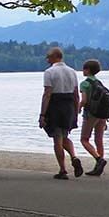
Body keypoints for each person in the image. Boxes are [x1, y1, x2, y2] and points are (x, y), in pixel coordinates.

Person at [39, 47, 82, 179]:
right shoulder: (72, 72)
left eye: (48, 57)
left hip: (56, 104)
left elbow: (47, 94)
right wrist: (76, 111)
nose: (47, 59)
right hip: (69, 105)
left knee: (57, 139)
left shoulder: (49, 72)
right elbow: (76, 94)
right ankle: (74, 157)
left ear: (55, 57)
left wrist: (42, 114)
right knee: (64, 135)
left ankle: (63, 169)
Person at [78, 59, 109, 176]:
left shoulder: (85, 83)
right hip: (102, 115)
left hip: (91, 114)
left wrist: (78, 108)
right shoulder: (99, 83)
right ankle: (98, 168)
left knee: (84, 139)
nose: (82, 71)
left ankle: (99, 160)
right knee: (99, 140)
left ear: (87, 70)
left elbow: (84, 100)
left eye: (83, 69)